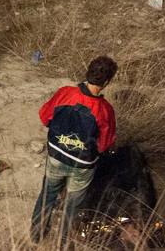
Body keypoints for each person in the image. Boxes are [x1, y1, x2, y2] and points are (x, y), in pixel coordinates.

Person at [31, 56, 118, 243]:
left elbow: (45, 117)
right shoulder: (105, 110)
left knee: (48, 194)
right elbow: (104, 145)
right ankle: (63, 242)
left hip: (56, 155)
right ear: (107, 82)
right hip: (82, 165)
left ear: (88, 72)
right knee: (72, 205)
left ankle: (37, 235)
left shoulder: (65, 93)